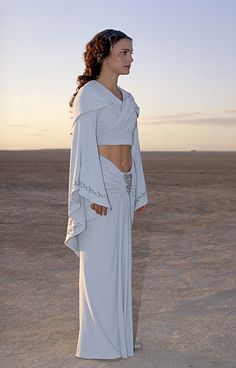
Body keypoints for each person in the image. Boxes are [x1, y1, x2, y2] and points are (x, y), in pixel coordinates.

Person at [64, 28, 148, 360]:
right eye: (124, 52)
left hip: (124, 188)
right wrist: (93, 192)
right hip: (99, 189)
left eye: (131, 53)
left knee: (119, 265)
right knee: (99, 267)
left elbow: (134, 147)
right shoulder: (90, 95)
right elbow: (82, 148)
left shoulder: (127, 99)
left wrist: (139, 190)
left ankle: (120, 337)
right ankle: (99, 343)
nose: (130, 59)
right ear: (104, 55)